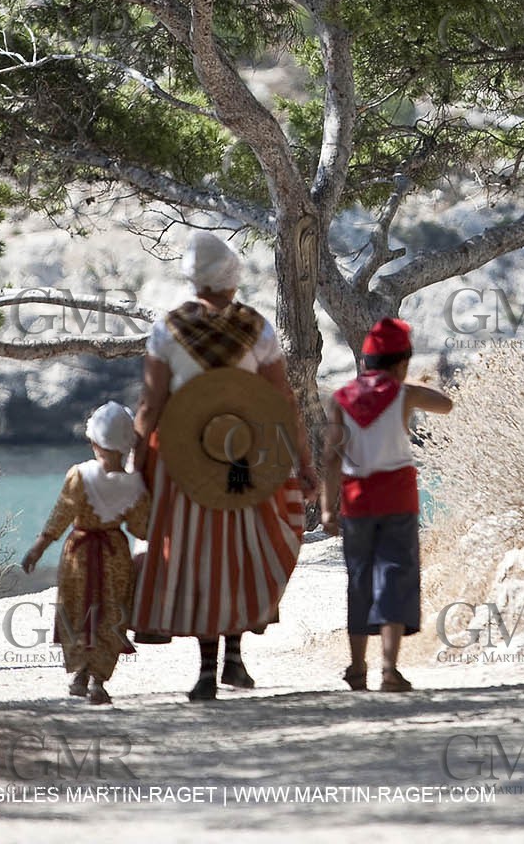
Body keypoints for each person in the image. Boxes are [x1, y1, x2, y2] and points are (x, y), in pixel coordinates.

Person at [130, 230, 318, 701]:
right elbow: (283, 401)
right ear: (232, 279)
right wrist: (305, 463)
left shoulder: (167, 329)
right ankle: (233, 658)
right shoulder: (258, 328)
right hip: (245, 458)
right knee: (239, 550)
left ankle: (207, 671)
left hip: (186, 460)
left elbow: (150, 405)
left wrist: (137, 465)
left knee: (198, 556)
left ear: (194, 281)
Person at [320, 315, 453, 692]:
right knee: (396, 576)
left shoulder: (341, 398)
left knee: (359, 580)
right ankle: (390, 669)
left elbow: (331, 457)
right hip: (397, 498)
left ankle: (357, 667)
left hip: (357, 502)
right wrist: (402, 383)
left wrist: (329, 508)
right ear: (402, 362)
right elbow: (447, 404)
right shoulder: (404, 394)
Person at [22, 401, 150, 705]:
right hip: (115, 555)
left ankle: (79, 672)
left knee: (77, 609)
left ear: (94, 443)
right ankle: (98, 681)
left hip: (78, 553)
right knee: (110, 614)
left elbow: (60, 516)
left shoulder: (80, 475)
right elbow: (142, 528)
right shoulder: (134, 485)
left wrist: (37, 549)